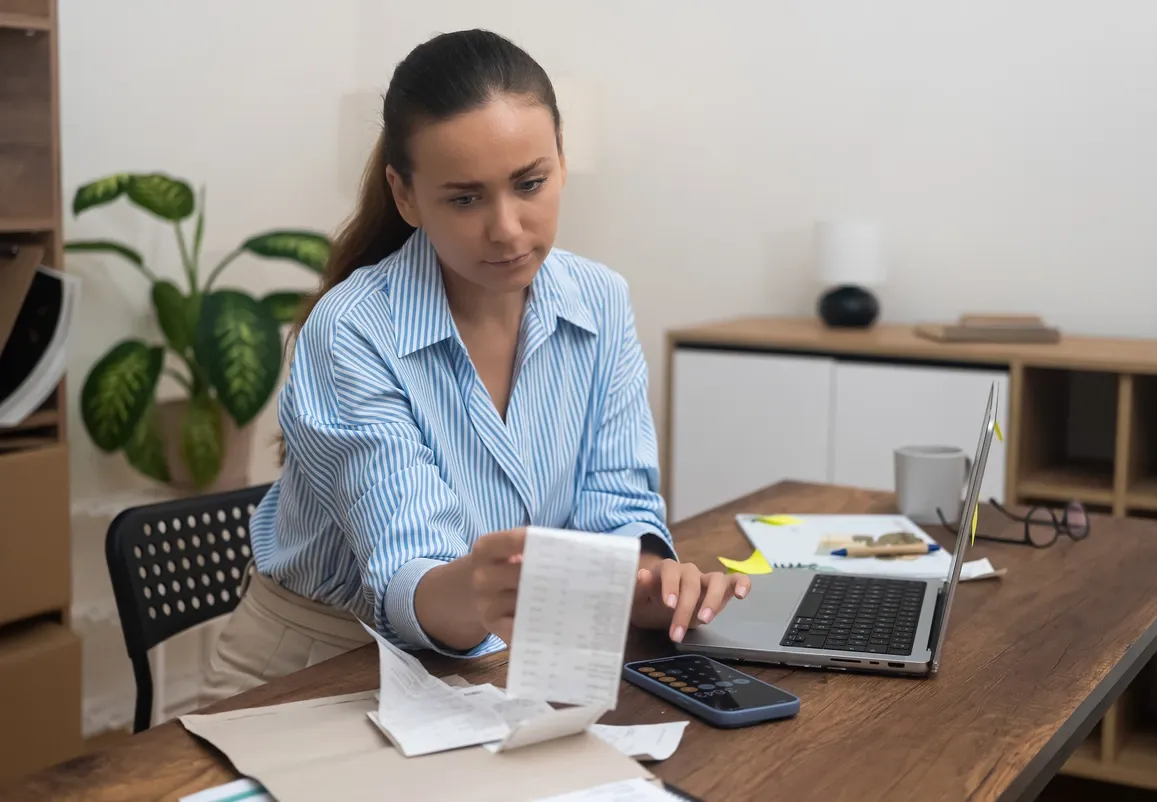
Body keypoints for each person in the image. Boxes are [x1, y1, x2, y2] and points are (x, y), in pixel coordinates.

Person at [198, 28, 752, 704]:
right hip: (315, 669)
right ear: (406, 196)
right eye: (465, 198)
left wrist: (649, 584)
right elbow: (407, 577)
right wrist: (488, 587)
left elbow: (617, 506)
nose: (508, 229)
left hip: (498, 665)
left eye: (530, 183)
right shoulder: (353, 329)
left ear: (561, 162)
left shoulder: (600, 300)